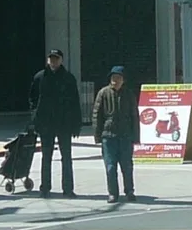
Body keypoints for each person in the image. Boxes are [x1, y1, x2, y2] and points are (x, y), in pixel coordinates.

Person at [28, 48, 82, 197]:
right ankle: (45, 188)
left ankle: (68, 189)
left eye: (56, 58)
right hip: (46, 124)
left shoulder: (68, 78)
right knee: (46, 156)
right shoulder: (40, 77)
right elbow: (32, 97)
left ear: (61, 60)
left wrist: (76, 124)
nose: (53, 61)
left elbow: (75, 102)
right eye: (51, 58)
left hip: (64, 123)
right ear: (47, 60)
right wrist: (35, 116)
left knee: (66, 157)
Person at [92, 64, 138, 203]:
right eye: (113, 77)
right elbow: (96, 114)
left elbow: (134, 116)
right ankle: (113, 193)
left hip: (125, 136)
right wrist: (97, 135)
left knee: (127, 166)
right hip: (108, 136)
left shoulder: (129, 94)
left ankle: (129, 191)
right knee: (110, 167)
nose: (115, 80)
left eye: (118, 77)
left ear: (123, 80)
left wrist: (136, 136)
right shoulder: (103, 93)